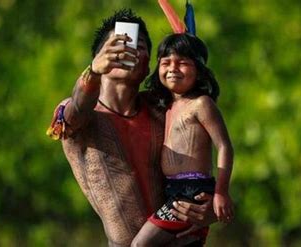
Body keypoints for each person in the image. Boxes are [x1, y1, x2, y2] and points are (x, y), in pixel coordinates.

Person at [46, 9, 215, 246]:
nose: (129, 49)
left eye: (140, 45)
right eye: (118, 44)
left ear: (148, 66)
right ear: (99, 56)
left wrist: (211, 204)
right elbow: (76, 108)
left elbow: (203, 158)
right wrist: (93, 71)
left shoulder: (164, 109)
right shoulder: (79, 118)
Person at [131, 33, 234, 246]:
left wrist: (220, 192)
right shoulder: (166, 107)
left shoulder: (201, 104)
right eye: (166, 62)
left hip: (192, 192)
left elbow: (224, 146)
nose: (172, 68)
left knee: (140, 244)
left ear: (199, 70)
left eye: (182, 63)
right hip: (173, 189)